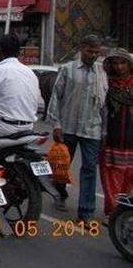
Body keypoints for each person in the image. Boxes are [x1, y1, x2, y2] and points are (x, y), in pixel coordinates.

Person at [47, 34, 108, 220]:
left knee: (89, 169)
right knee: (62, 165)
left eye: (97, 52)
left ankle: (86, 212)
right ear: (82, 48)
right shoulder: (68, 69)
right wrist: (56, 124)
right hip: (68, 126)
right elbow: (56, 97)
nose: (93, 55)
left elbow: (105, 105)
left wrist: (104, 131)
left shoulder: (103, 72)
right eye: (90, 51)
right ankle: (60, 194)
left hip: (92, 129)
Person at [100, 48, 133, 218]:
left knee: (128, 178)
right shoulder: (106, 84)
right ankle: (113, 212)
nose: (119, 67)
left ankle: (123, 212)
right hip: (112, 138)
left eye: (123, 63)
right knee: (111, 177)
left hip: (131, 140)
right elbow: (102, 111)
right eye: (115, 63)